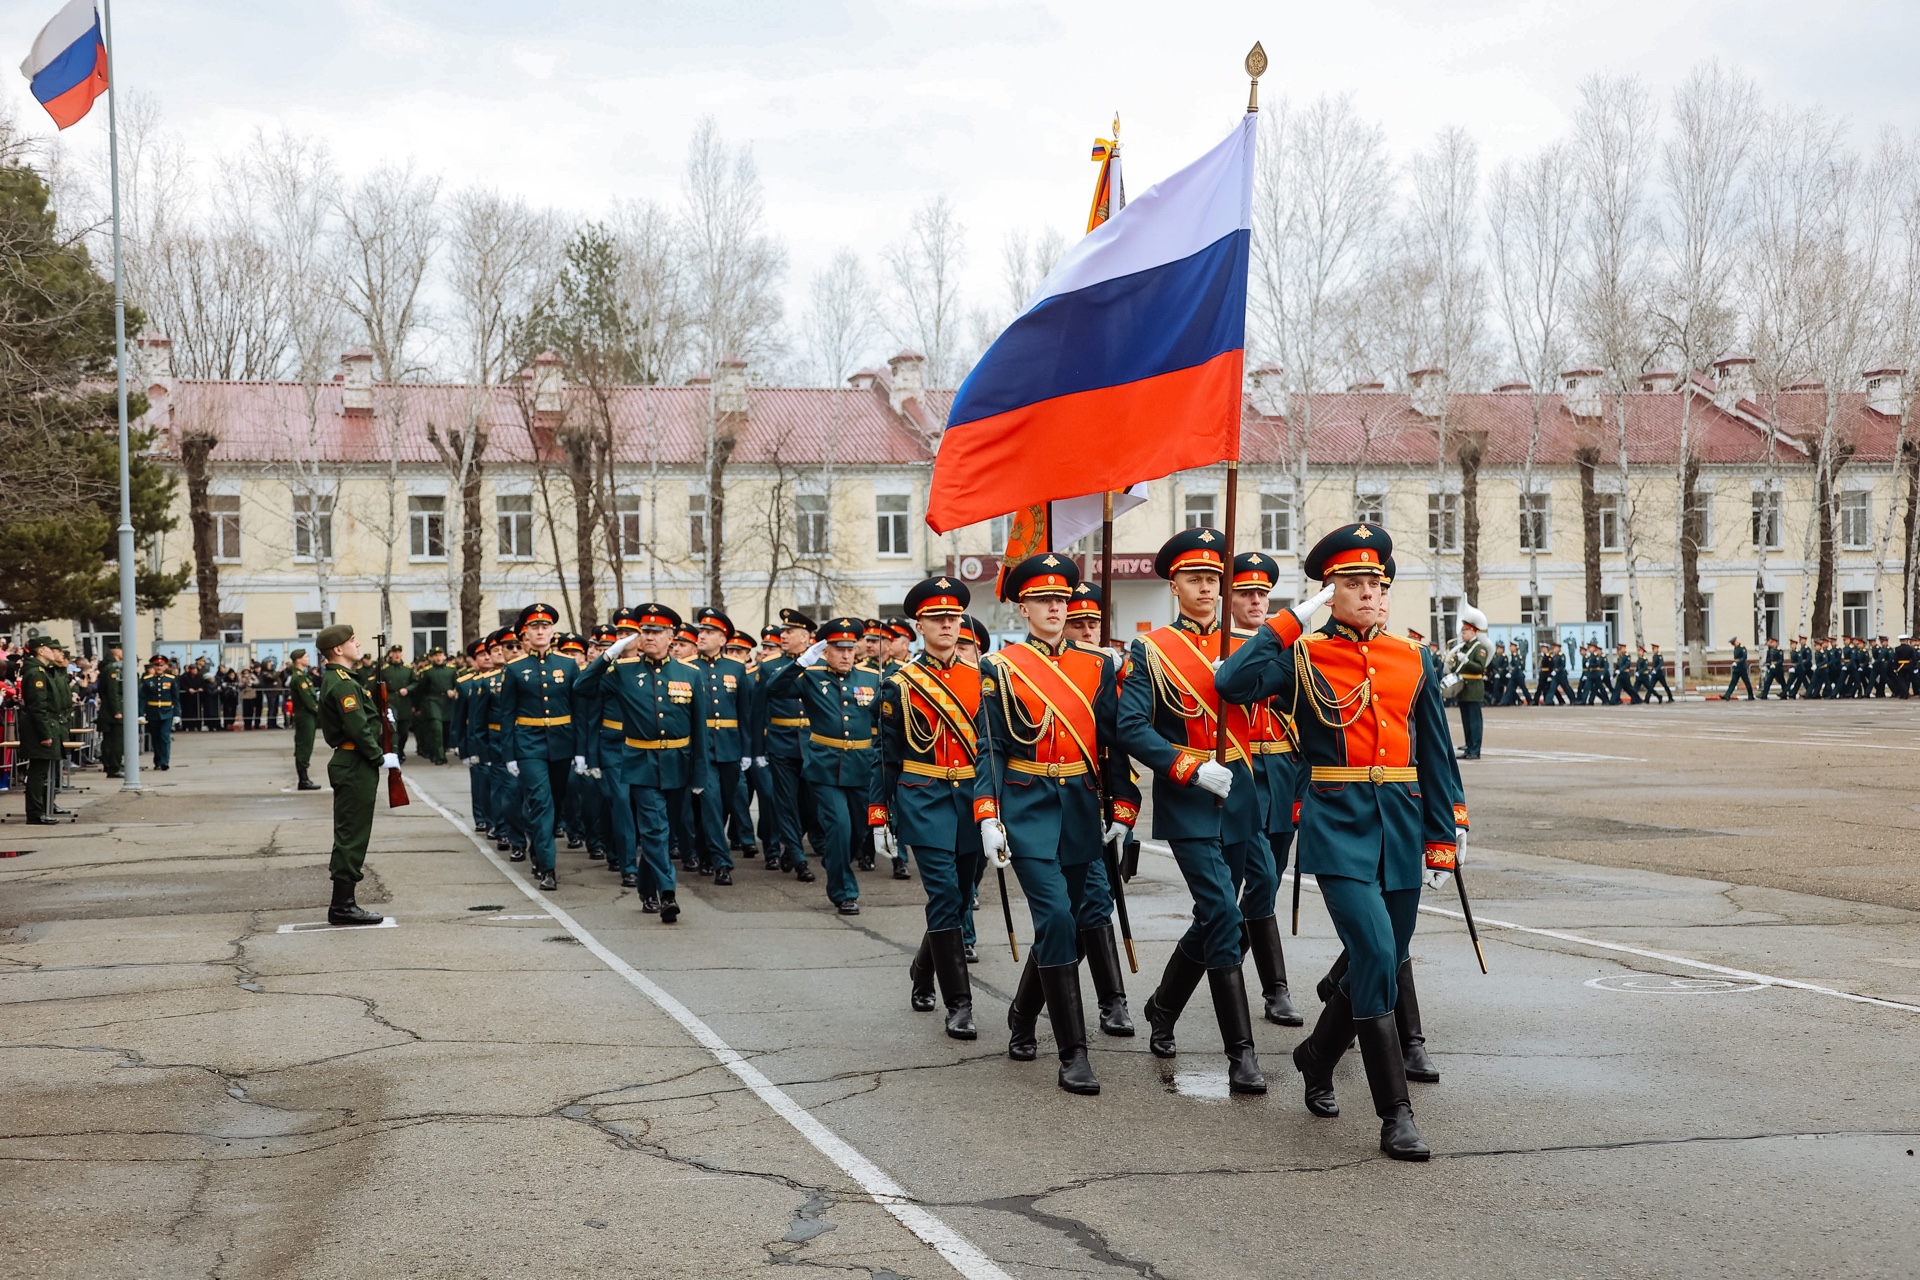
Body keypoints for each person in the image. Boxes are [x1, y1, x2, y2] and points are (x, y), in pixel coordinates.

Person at [1217, 522, 1465, 1162]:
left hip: (1403, 825)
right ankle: (1395, 1115)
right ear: (1329, 592)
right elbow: (1230, 685)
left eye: (1376, 585)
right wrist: (1287, 622)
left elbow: (1437, 757)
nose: (1368, 595)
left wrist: (1447, 833)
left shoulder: (1413, 657)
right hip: (1338, 823)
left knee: (1380, 958)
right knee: (1377, 952)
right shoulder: (1300, 656)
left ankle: (1316, 1054)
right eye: (1352, 584)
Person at [975, 554, 1139, 1096]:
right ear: (1024, 607)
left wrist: (1123, 803)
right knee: (1058, 919)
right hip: (1026, 807)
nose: (1054, 608)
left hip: (1080, 807)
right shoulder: (1001, 668)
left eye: (1062, 600)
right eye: (1044, 600)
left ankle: (1023, 1014)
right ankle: (1073, 1055)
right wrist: (988, 814)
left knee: (1064, 922)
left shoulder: (1099, 665)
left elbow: (1112, 743)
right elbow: (992, 749)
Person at [1121, 529, 1271, 1096]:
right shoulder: (1151, 649)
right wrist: (1184, 766)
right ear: (1174, 585)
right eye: (1195, 579)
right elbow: (1131, 726)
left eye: (1214, 579)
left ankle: (1163, 1006)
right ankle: (1241, 1055)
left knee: (1220, 917)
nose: (1207, 588)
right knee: (1223, 916)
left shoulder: (1243, 643)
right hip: (1190, 800)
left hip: (1240, 794)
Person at [872, 575, 985, 1039]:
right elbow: (884, 755)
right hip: (924, 798)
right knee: (944, 895)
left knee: (960, 898)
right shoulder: (899, 684)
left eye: (953, 617)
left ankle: (923, 968)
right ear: (919, 625)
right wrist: (879, 813)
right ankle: (960, 1004)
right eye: (936, 618)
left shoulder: (983, 678)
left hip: (972, 803)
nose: (946, 624)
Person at [575, 606, 710, 924]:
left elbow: (699, 729)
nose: (649, 636)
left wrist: (700, 771)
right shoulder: (622, 671)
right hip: (640, 763)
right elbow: (581, 688)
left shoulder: (689, 674)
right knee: (654, 830)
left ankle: (648, 890)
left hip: (678, 762)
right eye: (644, 631)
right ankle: (668, 893)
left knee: (666, 831)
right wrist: (609, 655)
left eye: (656, 631)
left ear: (671, 637)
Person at [763, 618, 885, 914]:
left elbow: (885, 722)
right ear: (825, 650)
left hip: (860, 765)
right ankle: (844, 891)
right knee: (839, 827)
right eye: (838, 649)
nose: (845, 655)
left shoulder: (870, 678)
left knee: (858, 831)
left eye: (850, 649)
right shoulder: (812, 677)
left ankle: (837, 859)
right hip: (825, 767)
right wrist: (802, 662)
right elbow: (774, 689)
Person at [1229, 552, 1303, 1027]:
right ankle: (1275, 988)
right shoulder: (1218, 645)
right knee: (1244, 881)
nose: (1256, 600)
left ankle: (1223, 960)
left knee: (1269, 880)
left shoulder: (1291, 646)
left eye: (1262, 593)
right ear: (1229, 598)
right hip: (1237, 770)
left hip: (1280, 769)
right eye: (1245, 593)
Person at [313, 624, 399, 926]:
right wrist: (379, 756)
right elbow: (357, 727)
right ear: (338, 649)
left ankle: (344, 902)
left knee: (352, 832)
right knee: (352, 833)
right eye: (352, 640)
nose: (358, 643)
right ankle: (343, 906)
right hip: (354, 761)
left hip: (352, 760)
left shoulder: (344, 680)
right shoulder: (342, 684)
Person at [498, 604, 576, 892]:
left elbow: (576, 707)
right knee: (541, 802)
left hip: (562, 742)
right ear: (526, 634)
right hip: (529, 744)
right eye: (534, 627)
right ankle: (548, 868)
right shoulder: (516, 669)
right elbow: (507, 714)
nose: (540, 631)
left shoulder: (568, 665)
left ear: (552, 631)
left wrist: (579, 750)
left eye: (545, 626)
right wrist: (509, 755)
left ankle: (538, 850)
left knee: (554, 803)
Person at [689, 608, 756, 885]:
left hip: (730, 749)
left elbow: (746, 714)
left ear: (723, 638)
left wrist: (748, 752)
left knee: (727, 804)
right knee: (710, 804)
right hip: (702, 751)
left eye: (709, 632)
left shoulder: (737, 669)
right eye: (700, 630)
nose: (701, 635)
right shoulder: (688, 666)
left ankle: (706, 850)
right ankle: (722, 863)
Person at [752, 610, 817, 882]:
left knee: (809, 804)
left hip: (811, 744)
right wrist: (756, 751)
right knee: (786, 803)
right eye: (783, 631)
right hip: (781, 742)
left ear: (805, 637)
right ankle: (798, 857)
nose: (783, 636)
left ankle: (792, 846)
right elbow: (757, 712)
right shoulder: (769, 666)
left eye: (790, 632)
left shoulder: (818, 664)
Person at [19, 637, 71, 824]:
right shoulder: (36, 673)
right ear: (40, 651)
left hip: (47, 724)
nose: (53, 651)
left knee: (42, 771)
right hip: (39, 728)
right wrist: (45, 734)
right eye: (49, 648)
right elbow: (37, 707)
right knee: (38, 772)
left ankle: (41, 809)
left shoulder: (43, 671)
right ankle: (35, 812)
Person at [1449, 606, 1490, 758]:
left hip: (1474, 689)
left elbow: (1480, 668)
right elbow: (1457, 668)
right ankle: (1468, 748)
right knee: (1466, 722)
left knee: (1474, 722)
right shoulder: (1465, 648)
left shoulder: (1479, 648)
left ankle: (1475, 750)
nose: (1462, 634)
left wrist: (1466, 661)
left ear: (1473, 632)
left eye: (1464, 631)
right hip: (1463, 689)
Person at [413, 646, 457, 765]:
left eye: (440, 655)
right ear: (432, 658)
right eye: (435, 655)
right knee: (436, 728)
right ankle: (440, 756)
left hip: (447, 703)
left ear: (444, 656)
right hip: (432, 701)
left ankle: (438, 751)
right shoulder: (428, 672)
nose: (438, 658)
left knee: (446, 729)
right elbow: (420, 690)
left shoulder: (451, 670)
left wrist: (454, 691)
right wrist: (417, 706)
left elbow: (457, 685)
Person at [288, 648, 321, 790]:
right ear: (298, 660)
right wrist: (318, 710)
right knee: (304, 745)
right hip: (305, 715)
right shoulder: (299, 677)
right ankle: (303, 779)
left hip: (308, 715)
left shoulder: (303, 676)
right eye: (305, 656)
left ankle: (305, 778)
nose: (308, 658)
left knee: (307, 745)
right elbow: (307, 699)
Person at [378, 645, 415, 761]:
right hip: (391, 701)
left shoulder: (408, 670)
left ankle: (400, 749)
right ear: (391, 655)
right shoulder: (385, 670)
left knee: (404, 732)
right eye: (395, 652)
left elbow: (415, 683)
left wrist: (408, 689)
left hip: (404, 703)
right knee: (393, 729)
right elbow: (378, 685)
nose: (397, 655)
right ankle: (395, 753)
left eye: (399, 652)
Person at [139, 657, 176, 771]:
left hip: (167, 711)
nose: (159, 668)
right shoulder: (147, 680)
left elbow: (176, 698)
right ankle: (158, 760)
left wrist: (177, 714)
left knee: (165, 737)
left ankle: (165, 761)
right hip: (153, 711)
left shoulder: (171, 679)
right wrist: (141, 713)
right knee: (155, 737)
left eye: (161, 665)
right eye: (156, 665)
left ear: (165, 667)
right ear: (153, 667)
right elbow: (142, 698)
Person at [98, 642, 125, 778]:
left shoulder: (111, 667)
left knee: (110, 740)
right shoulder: (112, 669)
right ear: (116, 651)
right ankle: (113, 766)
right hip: (112, 711)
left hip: (109, 710)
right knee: (116, 741)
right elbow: (112, 691)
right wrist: (117, 710)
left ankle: (112, 765)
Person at [1724, 637, 1753, 702]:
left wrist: (1737, 663)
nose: (1732, 645)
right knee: (1733, 682)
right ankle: (1727, 695)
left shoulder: (1742, 647)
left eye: (1733, 643)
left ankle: (1751, 696)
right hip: (1736, 668)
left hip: (1742, 668)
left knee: (1746, 682)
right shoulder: (1736, 648)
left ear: (1736, 642)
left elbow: (1744, 658)